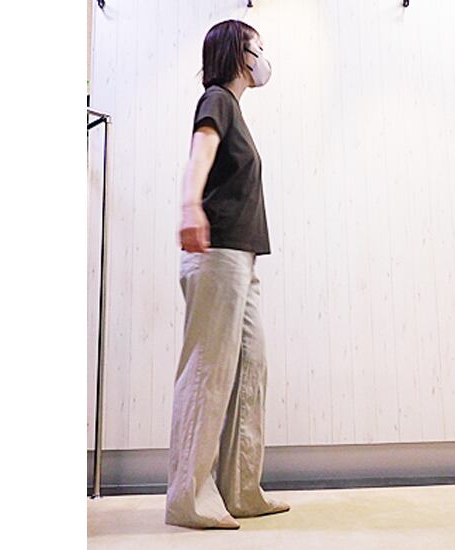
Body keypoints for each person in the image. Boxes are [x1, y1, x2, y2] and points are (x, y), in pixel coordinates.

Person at [164, 19, 290, 530]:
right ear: (239, 53)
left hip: (243, 257)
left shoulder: (235, 110)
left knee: (250, 367)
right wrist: (190, 206)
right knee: (208, 371)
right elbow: (200, 153)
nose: (263, 57)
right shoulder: (216, 100)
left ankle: (239, 490)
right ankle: (188, 499)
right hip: (216, 252)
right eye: (258, 47)